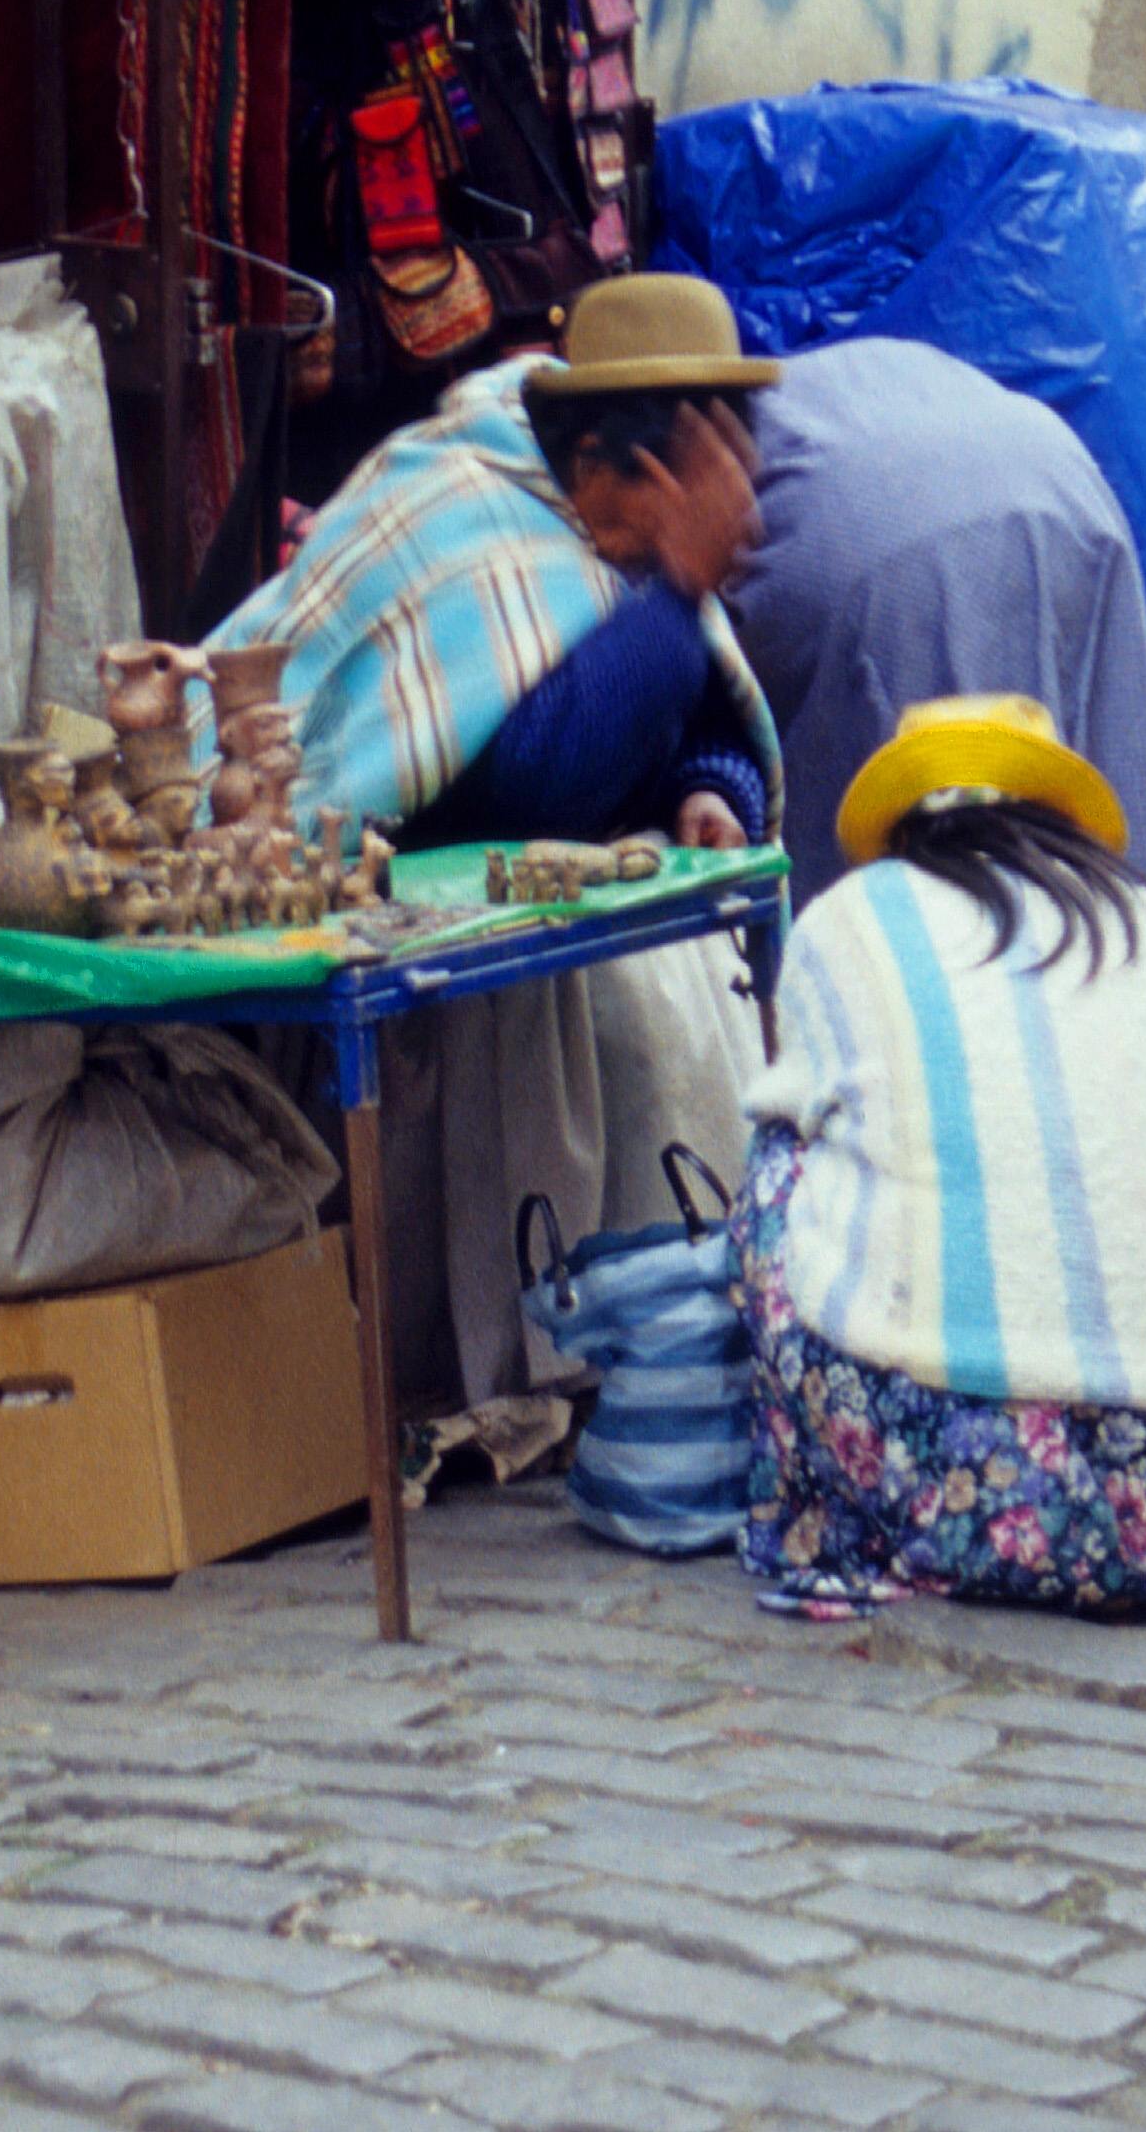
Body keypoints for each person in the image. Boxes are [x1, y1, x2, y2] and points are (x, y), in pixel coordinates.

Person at [202, 279, 784, 1410]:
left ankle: (606, 1344)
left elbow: (700, 705)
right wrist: (673, 588)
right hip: (383, 926)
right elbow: (537, 771)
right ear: (612, 467)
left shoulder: (623, 544)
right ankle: (442, 1376)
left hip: (520, 942)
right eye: (685, 491)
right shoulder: (462, 506)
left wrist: (708, 786)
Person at [734, 693, 1146, 1628]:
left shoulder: (847, 919)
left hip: (914, 1450)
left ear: (907, 827)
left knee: (778, 1155)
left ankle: (825, 1510)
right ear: (1052, 819)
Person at [728, 337, 1146, 908]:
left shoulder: (682, 475)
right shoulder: (799, 392)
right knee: (1109, 817)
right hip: (1062, 481)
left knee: (917, 866)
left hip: (887, 544)